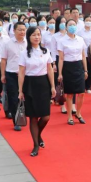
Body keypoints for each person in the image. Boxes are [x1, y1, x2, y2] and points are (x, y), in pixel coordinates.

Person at [19, 27, 56, 157]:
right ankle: (35, 144)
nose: (37, 37)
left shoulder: (46, 51)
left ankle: (38, 134)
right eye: (34, 35)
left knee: (46, 116)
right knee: (33, 117)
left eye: (39, 34)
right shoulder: (24, 53)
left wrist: (52, 86)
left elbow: (50, 69)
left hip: (43, 84)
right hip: (29, 84)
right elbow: (21, 72)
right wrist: (20, 90)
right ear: (29, 37)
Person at [58, 20, 88, 125]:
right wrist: (60, 73)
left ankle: (78, 113)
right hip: (68, 67)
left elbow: (83, 56)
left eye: (74, 25)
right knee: (69, 94)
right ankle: (70, 116)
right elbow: (61, 58)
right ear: (66, 27)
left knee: (81, 93)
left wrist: (85, 70)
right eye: (70, 25)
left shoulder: (80, 39)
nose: (72, 27)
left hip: (79, 66)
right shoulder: (62, 41)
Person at [1, 22, 28, 131]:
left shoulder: (28, 43)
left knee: (26, 96)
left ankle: (24, 115)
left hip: (26, 74)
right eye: (19, 29)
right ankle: (16, 120)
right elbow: (3, 60)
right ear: (14, 31)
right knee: (13, 97)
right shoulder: (8, 43)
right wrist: (3, 74)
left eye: (23, 29)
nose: (22, 32)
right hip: (12, 73)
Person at [78, 15, 91, 94]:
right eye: (87, 20)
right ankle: (82, 86)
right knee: (82, 70)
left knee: (90, 70)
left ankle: (88, 87)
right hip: (82, 53)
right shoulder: (80, 31)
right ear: (84, 21)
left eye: (90, 20)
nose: (88, 22)